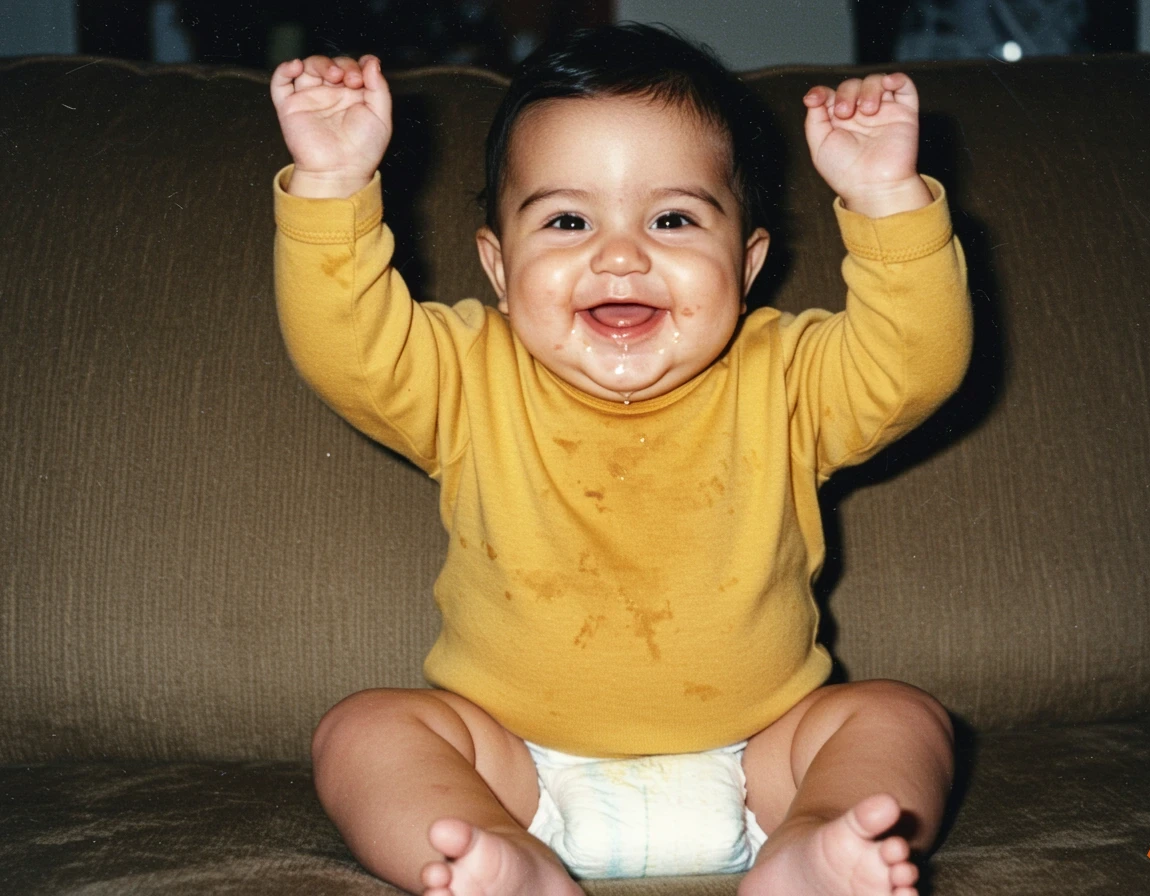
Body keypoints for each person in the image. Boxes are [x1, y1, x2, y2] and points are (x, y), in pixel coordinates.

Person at [270, 23, 971, 896]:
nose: (620, 253)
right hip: (511, 770)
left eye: (673, 218)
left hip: (762, 766)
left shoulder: (790, 375)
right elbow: (347, 346)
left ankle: (817, 848)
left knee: (901, 718)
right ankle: (498, 862)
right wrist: (334, 184)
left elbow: (916, 363)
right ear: (498, 264)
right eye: (567, 219)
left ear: (747, 262)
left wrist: (886, 201)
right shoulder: (462, 373)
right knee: (362, 730)